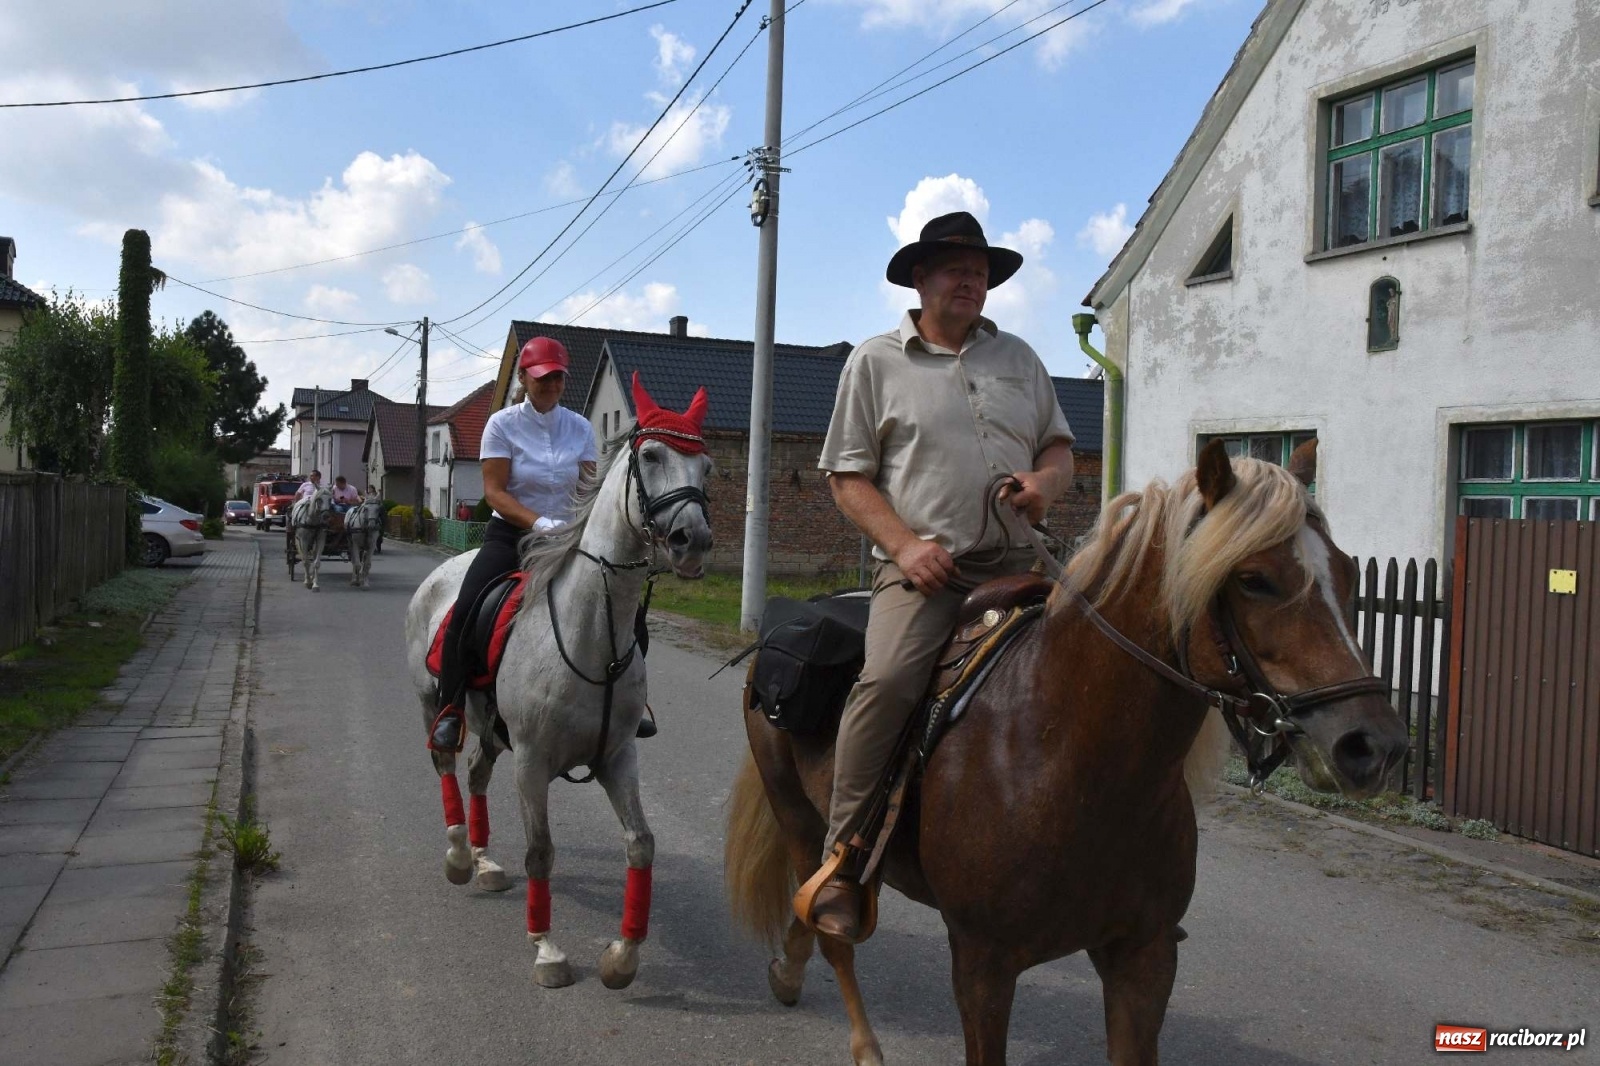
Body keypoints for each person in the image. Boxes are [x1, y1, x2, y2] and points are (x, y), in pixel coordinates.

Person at [808, 210, 1076, 941]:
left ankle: (1111, 862)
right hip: (929, 576)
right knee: (889, 681)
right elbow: (847, 478)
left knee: (1107, 663)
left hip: (1023, 565)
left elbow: (1059, 450)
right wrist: (904, 547)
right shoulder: (876, 362)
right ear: (920, 279)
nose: (971, 279)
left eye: (981, 270)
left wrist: (1043, 486)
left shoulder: (1019, 358)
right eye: (955, 267)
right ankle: (843, 859)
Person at [427, 337, 658, 750]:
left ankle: (633, 700)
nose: (550, 385)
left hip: (569, 538)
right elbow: (495, 493)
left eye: (557, 377)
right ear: (523, 377)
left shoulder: (580, 427)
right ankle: (452, 709)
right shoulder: (502, 425)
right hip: (512, 535)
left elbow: (589, 486)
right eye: (542, 378)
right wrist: (539, 522)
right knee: (466, 609)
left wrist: (584, 527)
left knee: (628, 611)